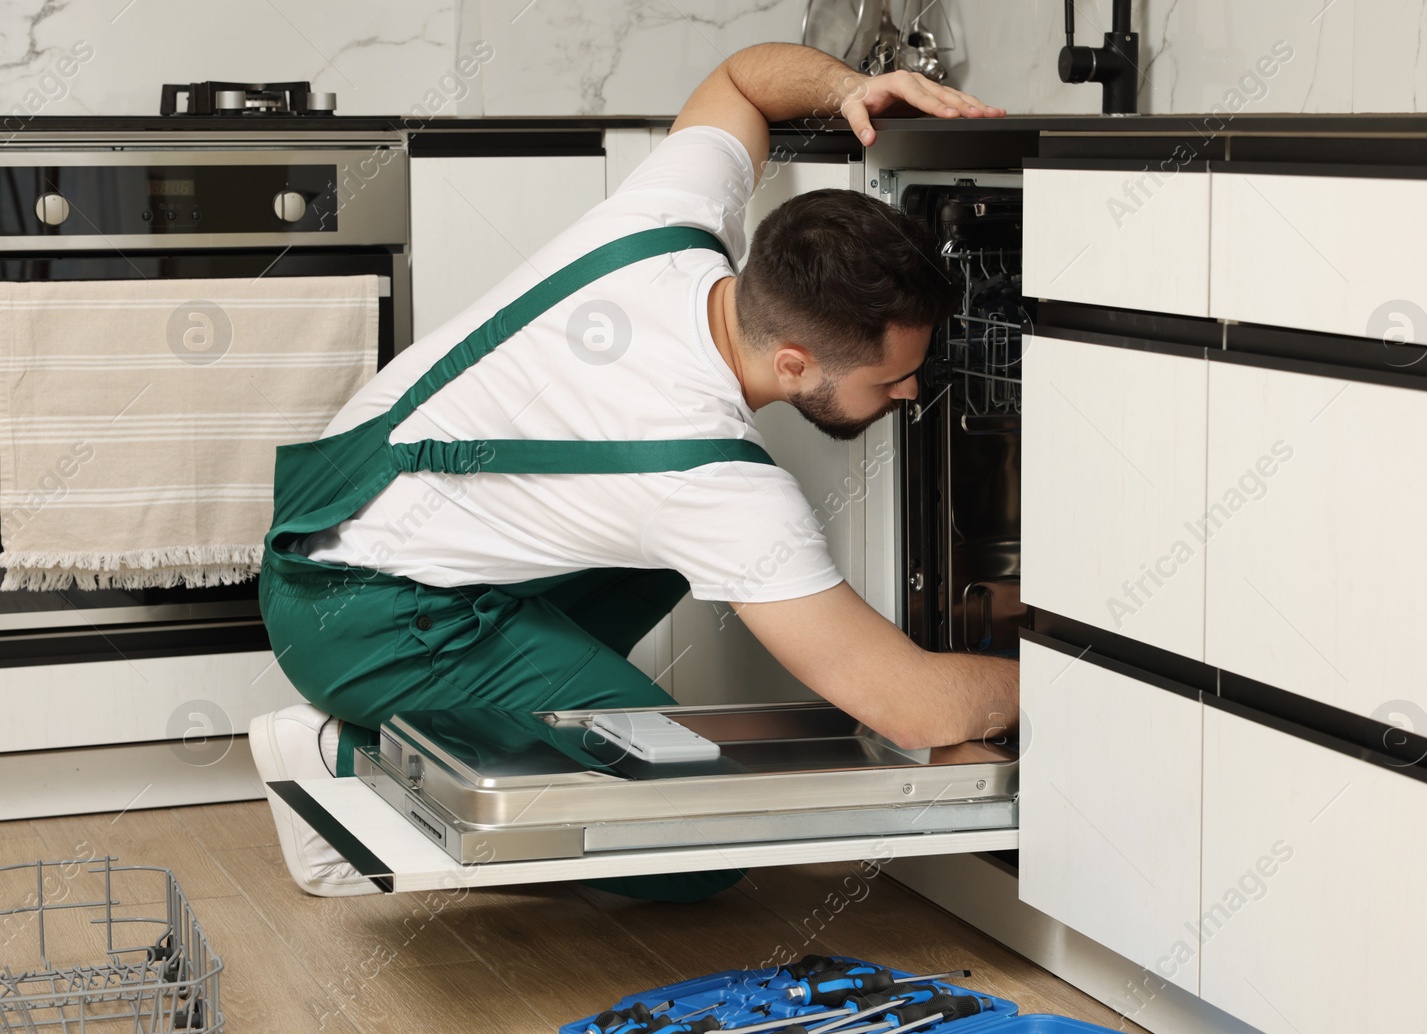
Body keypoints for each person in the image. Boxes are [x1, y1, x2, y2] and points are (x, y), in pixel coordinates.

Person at [249, 42, 1018, 898]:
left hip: (337, 529)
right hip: (359, 619)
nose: (914, 393)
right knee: (697, 853)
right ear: (794, 362)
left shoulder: (668, 224)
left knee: (668, 567)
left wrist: (851, 87)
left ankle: (460, 723)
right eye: (891, 378)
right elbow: (911, 707)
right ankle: (339, 767)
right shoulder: (715, 482)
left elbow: (739, 79)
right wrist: (1061, 678)